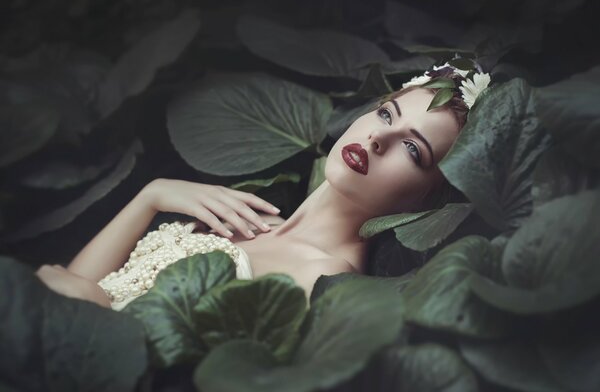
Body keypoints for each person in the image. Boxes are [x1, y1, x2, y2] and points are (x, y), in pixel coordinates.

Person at [35, 61, 489, 310]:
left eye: (413, 150)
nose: (377, 138)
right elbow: (74, 282)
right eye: (387, 114)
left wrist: (87, 307)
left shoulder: (328, 281)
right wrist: (151, 195)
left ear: (430, 197)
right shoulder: (248, 214)